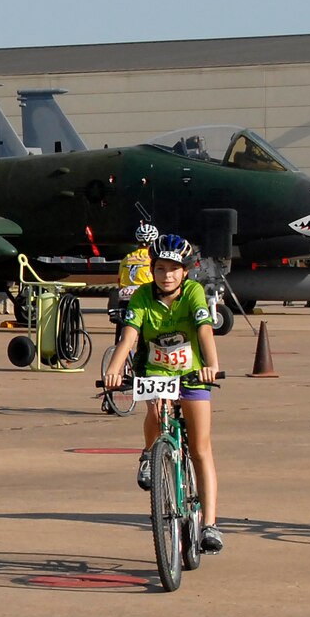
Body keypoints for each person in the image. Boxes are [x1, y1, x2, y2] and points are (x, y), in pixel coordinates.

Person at [101, 233, 224, 553]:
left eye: (173, 268)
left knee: (200, 448)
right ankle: (149, 454)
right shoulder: (142, 296)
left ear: (185, 271)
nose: (166, 275)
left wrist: (212, 364)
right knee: (156, 412)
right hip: (156, 372)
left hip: (193, 374)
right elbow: (129, 336)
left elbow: (204, 330)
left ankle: (209, 524)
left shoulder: (194, 293)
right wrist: (114, 370)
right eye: (159, 268)